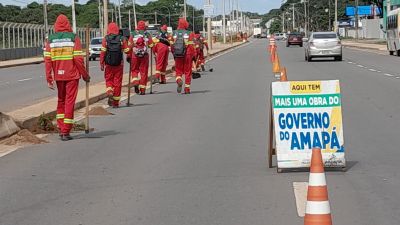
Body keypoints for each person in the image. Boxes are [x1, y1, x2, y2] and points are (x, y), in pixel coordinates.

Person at [43, 14, 90, 141]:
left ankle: (60, 127)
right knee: (69, 102)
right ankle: (66, 131)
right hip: (72, 75)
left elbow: (47, 60)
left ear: (56, 25)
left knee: (61, 101)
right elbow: (78, 59)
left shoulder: (50, 39)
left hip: (59, 76)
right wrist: (85, 75)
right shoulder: (74, 38)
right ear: (68, 24)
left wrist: (49, 78)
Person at [100, 22, 130, 108]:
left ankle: (110, 92)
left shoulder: (105, 39)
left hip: (108, 64)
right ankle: (116, 103)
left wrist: (101, 63)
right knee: (117, 82)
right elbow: (127, 51)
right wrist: (130, 46)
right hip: (119, 64)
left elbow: (103, 52)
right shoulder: (122, 38)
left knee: (109, 80)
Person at [127, 21, 154, 95]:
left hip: (134, 56)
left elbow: (129, 45)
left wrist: (128, 56)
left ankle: (136, 82)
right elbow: (151, 45)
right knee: (144, 72)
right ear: (144, 27)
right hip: (144, 56)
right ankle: (142, 90)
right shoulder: (147, 34)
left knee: (134, 70)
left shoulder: (133, 34)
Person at [172, 18, 195, 94]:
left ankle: (179, 80)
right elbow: (191, 47)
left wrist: (174, 55)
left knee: (178, 71)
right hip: (187, 54)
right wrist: (193, 56)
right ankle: (187, 89)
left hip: (178, 54)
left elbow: (172, 46)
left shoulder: (174, 33)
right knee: (188, 72)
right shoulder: (190, 33)